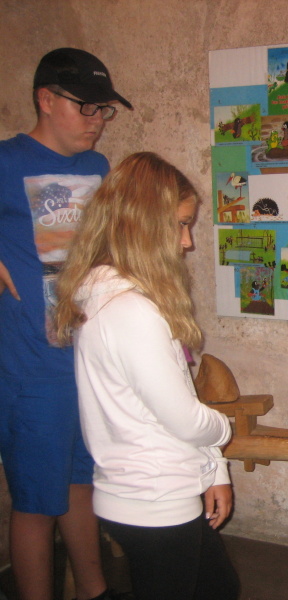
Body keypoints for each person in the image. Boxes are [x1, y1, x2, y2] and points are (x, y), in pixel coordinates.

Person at [53, 152, 239, 600]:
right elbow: (185, 419)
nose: (187, 242)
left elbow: (170, 405)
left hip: (151, 490)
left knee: (219, 587)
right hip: (154, 499)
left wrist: (214, 468)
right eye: (181, 225)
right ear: (143, 225)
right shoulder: (131, 311)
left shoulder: (107, 293)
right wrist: (224, 428)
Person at [0, 47, 131, 600]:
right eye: (87, 107)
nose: (97, 121)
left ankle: (94, 590)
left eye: (104, 110)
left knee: (82, 482)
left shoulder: (96, 167)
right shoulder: (7, 161)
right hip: (32, 366)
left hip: (88, 355)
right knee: (36, 502)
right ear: (46, 99)